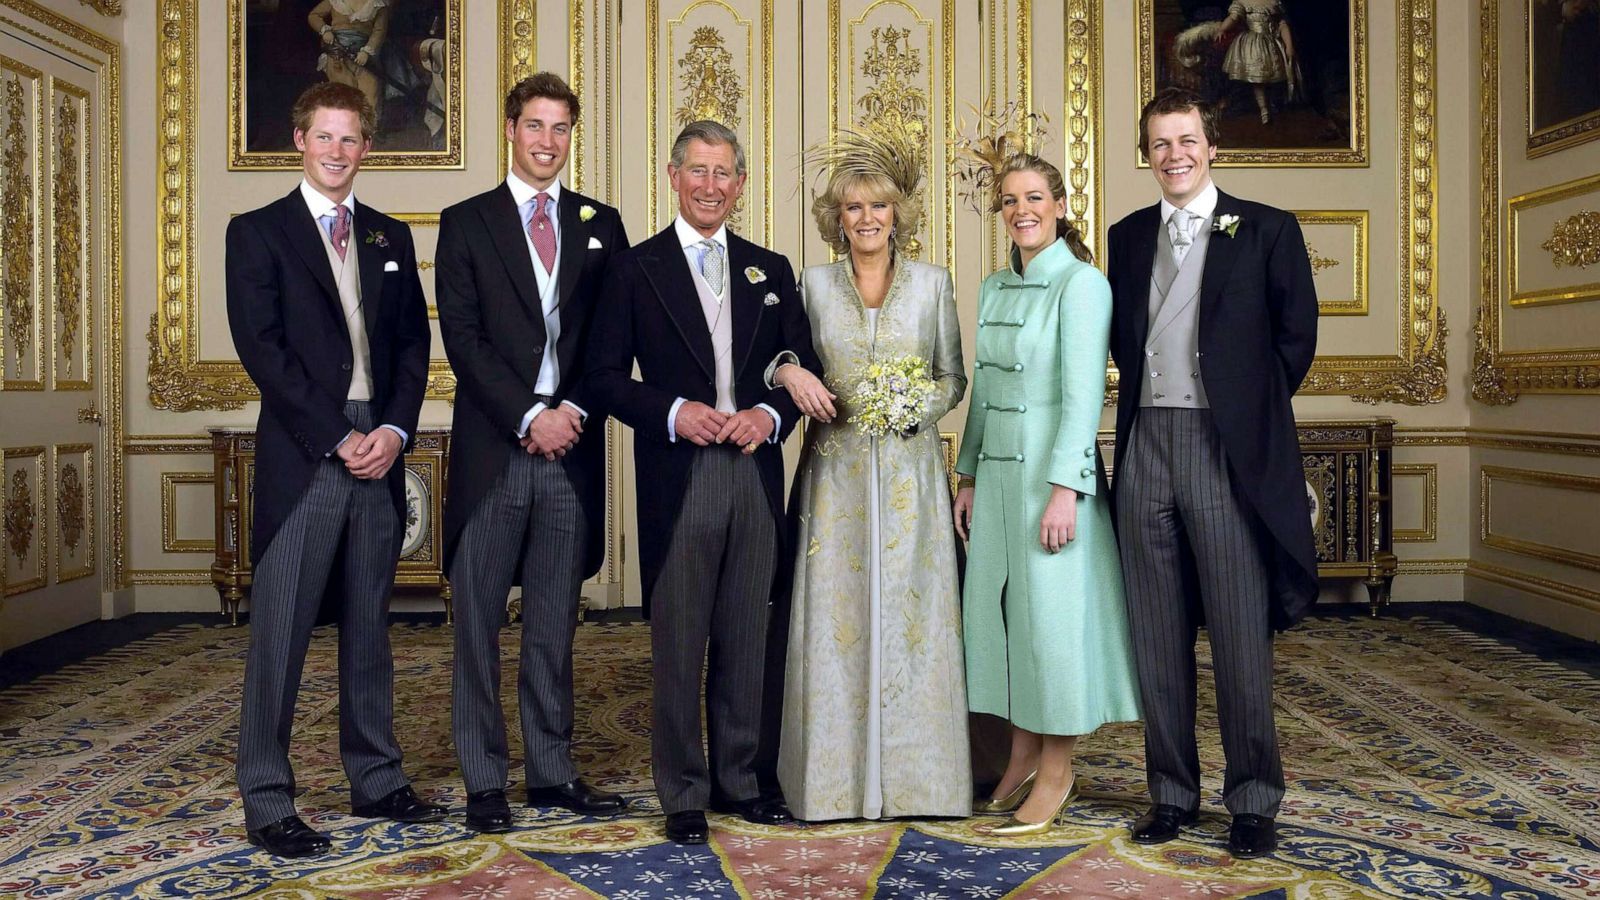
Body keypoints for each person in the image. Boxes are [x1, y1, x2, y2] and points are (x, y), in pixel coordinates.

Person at [586, 120, 822, 845]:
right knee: (680, 640)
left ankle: (741, 781)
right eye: (698, 171)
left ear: (741, 185)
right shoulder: (634, 268)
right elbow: (600, 378)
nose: (711, 186)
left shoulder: (770, 268)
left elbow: (802, 364)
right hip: (678, 474)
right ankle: (683, 791)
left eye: (724, 174)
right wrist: (672, 412)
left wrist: (767, 415)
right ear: (672, 175)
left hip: (752, 472)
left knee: (748, 635)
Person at [226, 81, 438, 858]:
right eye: (325, 138)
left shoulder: (388, 235)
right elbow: (264, 351)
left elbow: (413, 345)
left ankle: (376, 777)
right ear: (298, 140)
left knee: (369, 631)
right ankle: (267, 797)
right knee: (279, 632)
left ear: (367, 149)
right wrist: (334, 436)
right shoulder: (257, 233)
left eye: (351, 140)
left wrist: (392, 428)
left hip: (377, 444)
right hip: (305, 448)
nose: (338, 152)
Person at [1105, 87, 1318, 859]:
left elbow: (1296, 339)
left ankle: (1253, 799)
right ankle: (1171, 793)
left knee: (1236, 635)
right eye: (1160, 144)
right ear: (1148, 154)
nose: (1175, 155)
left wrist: (1242, 410)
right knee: (1156, 635)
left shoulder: (1266, 229)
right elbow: (1126, 346)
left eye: (1186, 140)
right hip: (1145, 448)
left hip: (1225, 451)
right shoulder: (1127, 236)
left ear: (1212, 146)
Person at [435, 73, 631, 834]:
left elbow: (609, 337)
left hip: (572, 452)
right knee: (477, 624)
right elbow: (465, 340)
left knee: (553, 626)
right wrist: (528, 416)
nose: (547, 141)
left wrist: (571, 411)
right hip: (496, 450)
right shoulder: (467, 221)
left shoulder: (600, 223)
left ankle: (552, 773)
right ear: (511, 129)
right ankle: (485, 779)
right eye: (535, 126)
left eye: (560, 128)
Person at [767, 131, 970, 821]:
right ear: (837, 218)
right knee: (837, 621)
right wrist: (787, 370)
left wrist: (923, 404)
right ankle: (830, 785)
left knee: (916, 623)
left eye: (877, 207)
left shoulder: (934, 284)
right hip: (836, 480)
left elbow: (954, 377)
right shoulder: (814, 286)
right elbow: (780, 354)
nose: (865, 219)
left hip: (913, 482)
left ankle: (921, 785)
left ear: (897, 213)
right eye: (852, 208)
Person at [951, 153, 1142, 836]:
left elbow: (1082, 396)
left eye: (1034, 197)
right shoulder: (995, 286)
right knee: (1003, 622)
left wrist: (1066, 490)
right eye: (1008, 200)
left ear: (1060, 205)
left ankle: (1057, 770)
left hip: (1053, 482)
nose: (1021, 209)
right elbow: (984, 389)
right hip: (997, 481)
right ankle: (1022, 753)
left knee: (1054, 630)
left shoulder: (1084, 285)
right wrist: (968, 475)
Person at [1215, 0, 1301, 124]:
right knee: (1257, 79)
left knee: (1275, 77)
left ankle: (1274, 105)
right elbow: (1233, 18)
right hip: (1253, 44)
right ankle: (1263, 109)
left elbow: (1282, 25)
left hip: (1273, 43)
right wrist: (1222, 29)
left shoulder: (1274, 2)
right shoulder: (1244, 2)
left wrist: (1289, 45)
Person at [308, 1, 390, 116]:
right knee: (345, 96)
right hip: (338, 56)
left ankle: (367, 131)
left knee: (370, 95)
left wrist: (367, 51)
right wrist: (325, 31)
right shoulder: (335, 1)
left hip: (364, 58)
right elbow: (314, 16)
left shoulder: (377, 4)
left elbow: (379, 32)